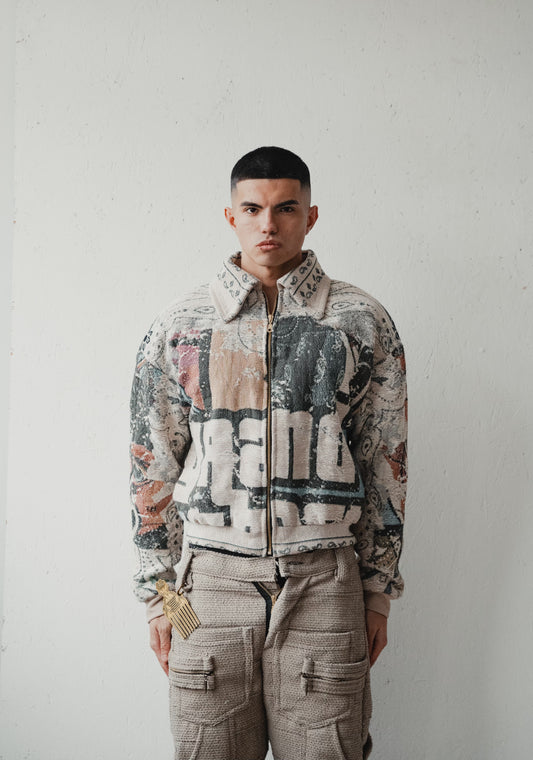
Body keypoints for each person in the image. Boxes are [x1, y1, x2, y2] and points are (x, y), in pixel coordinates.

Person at [129, 146, 407, 760]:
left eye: (285, 208)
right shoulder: (181, 325)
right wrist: (159, 598)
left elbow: (385, 461)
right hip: (206, 588)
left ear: (311, 216)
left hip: (325, 584)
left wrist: (377, 591)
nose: (268, 225)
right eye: (252, 209)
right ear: (231, 216)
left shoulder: (360, 322)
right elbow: (151, 466)